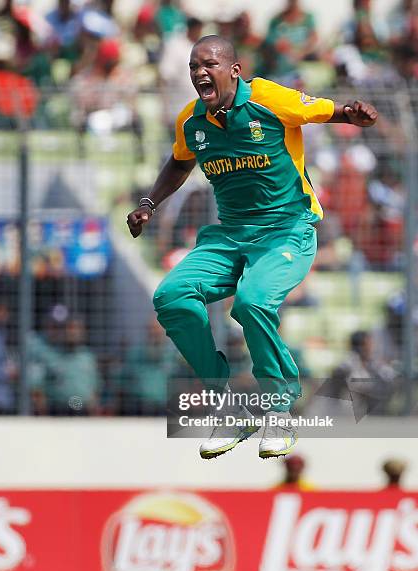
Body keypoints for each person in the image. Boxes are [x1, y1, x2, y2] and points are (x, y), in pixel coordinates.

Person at [126, 35, 378, 460]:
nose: (199, 72)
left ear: (234, 70)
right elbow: (181, 159)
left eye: (208, 64)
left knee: (251, 302)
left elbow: (326, 109)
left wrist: (352, 115)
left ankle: (280, 409)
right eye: (193, 67)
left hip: (287, 231)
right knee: (171, 296)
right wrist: (149, 203)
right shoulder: (192, 120)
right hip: (229, 236)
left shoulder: (265, 97)